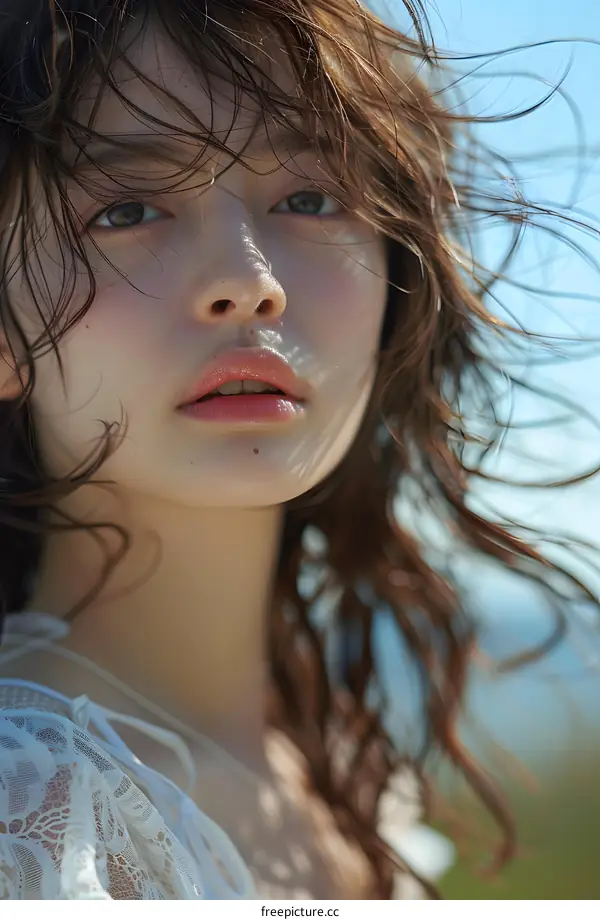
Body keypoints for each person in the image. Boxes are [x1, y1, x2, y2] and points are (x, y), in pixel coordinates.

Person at [0, 0, 595, 902]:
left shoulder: (339, 763)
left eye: (310, 199)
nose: (249, 282)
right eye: (126, 208)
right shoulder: (32, 820)